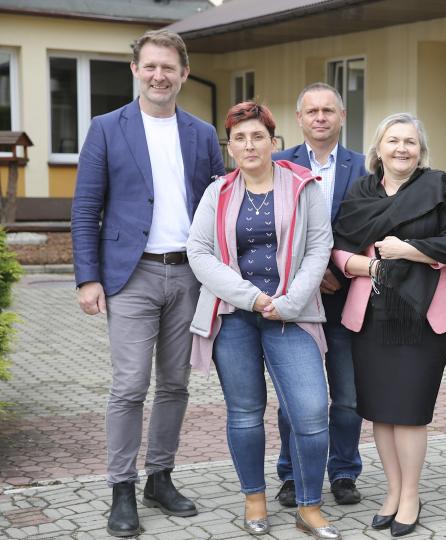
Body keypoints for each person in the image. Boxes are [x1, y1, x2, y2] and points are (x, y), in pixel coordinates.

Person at [71, 29, 225, 537]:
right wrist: (88, 278)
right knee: (130, 385)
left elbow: (219, 207)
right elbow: (86, 208)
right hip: (129, 275)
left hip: (189, 274)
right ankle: (121, 487)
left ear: (184, 73)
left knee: (176, 384)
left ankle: (160, 477)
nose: (160, 75)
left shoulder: (202, 133)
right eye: (150, 66)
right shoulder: (107, 128)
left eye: (169, 67)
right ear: (135, 70)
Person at [186, 102, 340, 539]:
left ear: (274, 142)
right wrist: (253, 299)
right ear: (230, 147)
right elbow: (199, 253)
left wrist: (289, 302)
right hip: (235, 317)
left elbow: (318, 248)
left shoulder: (304, 186)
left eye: (258, 136)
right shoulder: (216, 193)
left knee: (311, 413)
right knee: (246, 413)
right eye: (240, 138)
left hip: (292, 315)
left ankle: (308, 506)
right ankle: (254, 498)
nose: (249, 145)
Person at [332, 112, 446, 537]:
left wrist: (407, 249)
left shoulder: (442, 188)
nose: (402, 149)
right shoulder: (360, 192)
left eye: (410, 141)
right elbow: (337, 247)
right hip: (371, 313)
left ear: (421, 149)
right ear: (378, 148)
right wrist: (368, 265)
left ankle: (411, 495)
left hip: (424, 316)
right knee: (381, 413)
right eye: (393, 141)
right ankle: (391, 492)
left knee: (409, 412)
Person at [272, 82, 368, 508]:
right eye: (311, 111)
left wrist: (332, 265)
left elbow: (371, 227)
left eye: (329, 110)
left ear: (342, 116)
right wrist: (309, 274)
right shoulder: (278, 165)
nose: (320, 117)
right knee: (296, 395)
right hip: (296, 298)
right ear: (299, 118)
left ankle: (344, 471)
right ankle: (292, 474)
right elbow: (267, 233)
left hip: (346, 295)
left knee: (347, 394)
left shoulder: (365, 167)